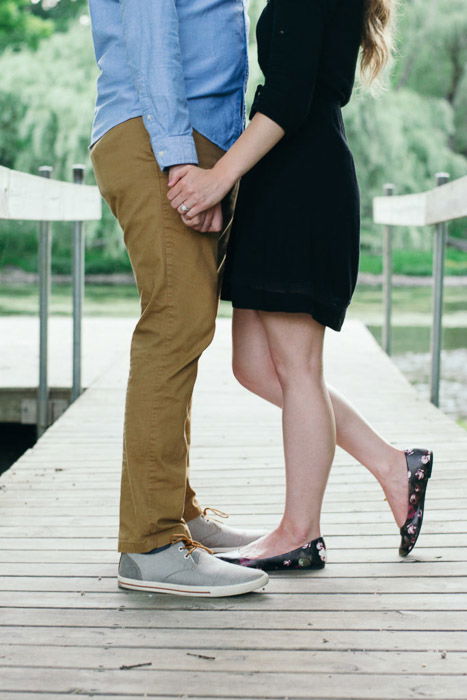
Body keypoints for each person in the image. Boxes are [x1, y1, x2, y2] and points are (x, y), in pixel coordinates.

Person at [167, 0, 434, 571]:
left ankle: (299, 531)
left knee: (297, 366)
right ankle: (393, 465)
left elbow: (287, 96)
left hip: (303, 187)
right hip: (280, 184)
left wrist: (218, 177)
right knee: (254, 365)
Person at [87, 0, 269, 597]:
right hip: (163, 134)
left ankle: (178, 513)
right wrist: (178, 155)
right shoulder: (170, 145)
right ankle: (151, 544)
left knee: (185, 328)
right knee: (175, 324)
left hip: (188, 134)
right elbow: (150, 31)